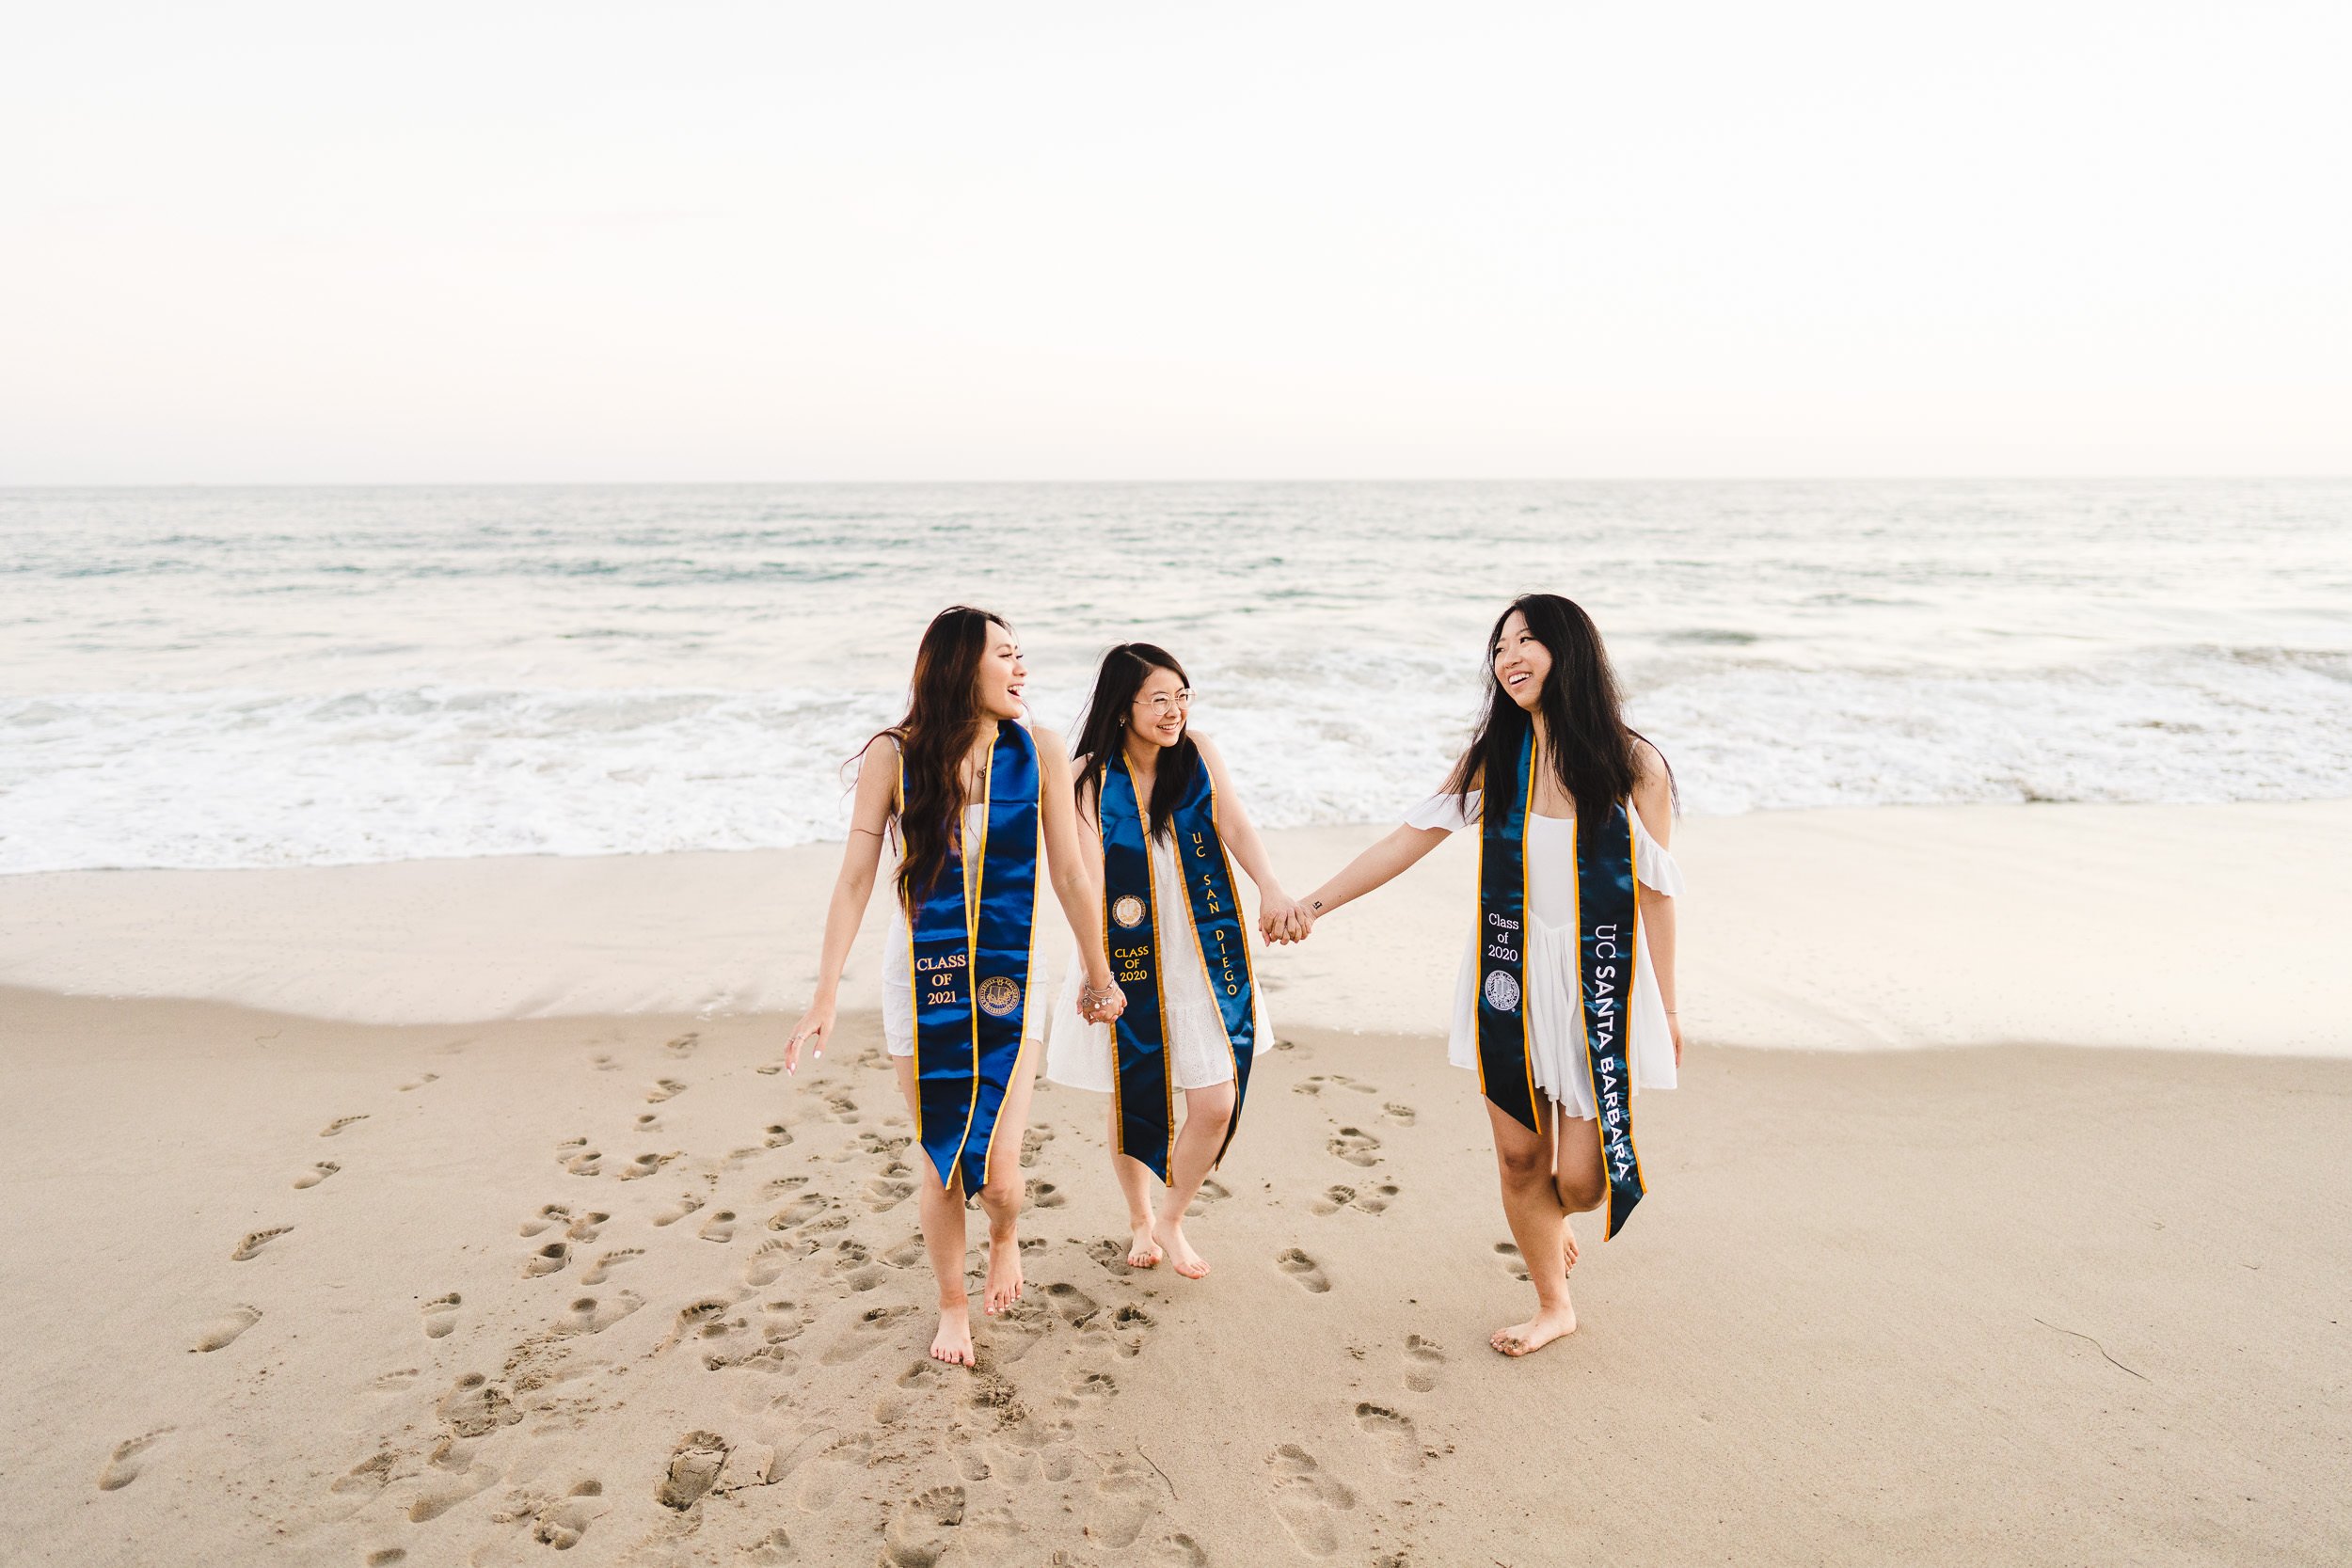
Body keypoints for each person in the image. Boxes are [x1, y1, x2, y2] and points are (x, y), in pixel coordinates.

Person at [1278, 594, 1682, 1356]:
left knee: (1586, 1184)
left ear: (1571, 651)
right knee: (1521, 1157)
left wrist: (1667, 1006)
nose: (1510, 658)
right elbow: (1407, 840)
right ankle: (1553, 1302)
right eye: (1500, 647)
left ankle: (1552, 1221)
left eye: (1526, 641)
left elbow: (1658, 894)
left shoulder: (1634, 764)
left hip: (1600, 981)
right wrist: (1312, 904)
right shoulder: (1496, 757)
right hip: (1510, 977)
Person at [782, 606, 1124, 1368]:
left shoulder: (1036, 749)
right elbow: (854, 879)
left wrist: (1098, 971)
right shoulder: (894, 757)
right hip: (922, 982)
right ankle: (952, 1305)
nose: (1021, 668)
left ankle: (1004, 1230)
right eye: (1007, 654)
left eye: (1022, 654)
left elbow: (1069, 871)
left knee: (998, 1174)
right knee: (942, 1156)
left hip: (1010, 980)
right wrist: (825, 992)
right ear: (961, 664)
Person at [1045, 644, 1294, 1278]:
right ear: (1122, 705)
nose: (1174, 710)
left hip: (1201, 951)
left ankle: (1171, 1216)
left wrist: (1269, 884)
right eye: (1159, 698)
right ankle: (1138, 1217)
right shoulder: (1086, 779)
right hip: (1123, 955)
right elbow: (1083, 881)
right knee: (1136, 1092)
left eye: (1182, 695)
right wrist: (1095, 970)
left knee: (1215, 1101)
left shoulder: (1198, 752)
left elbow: (1232, 823)